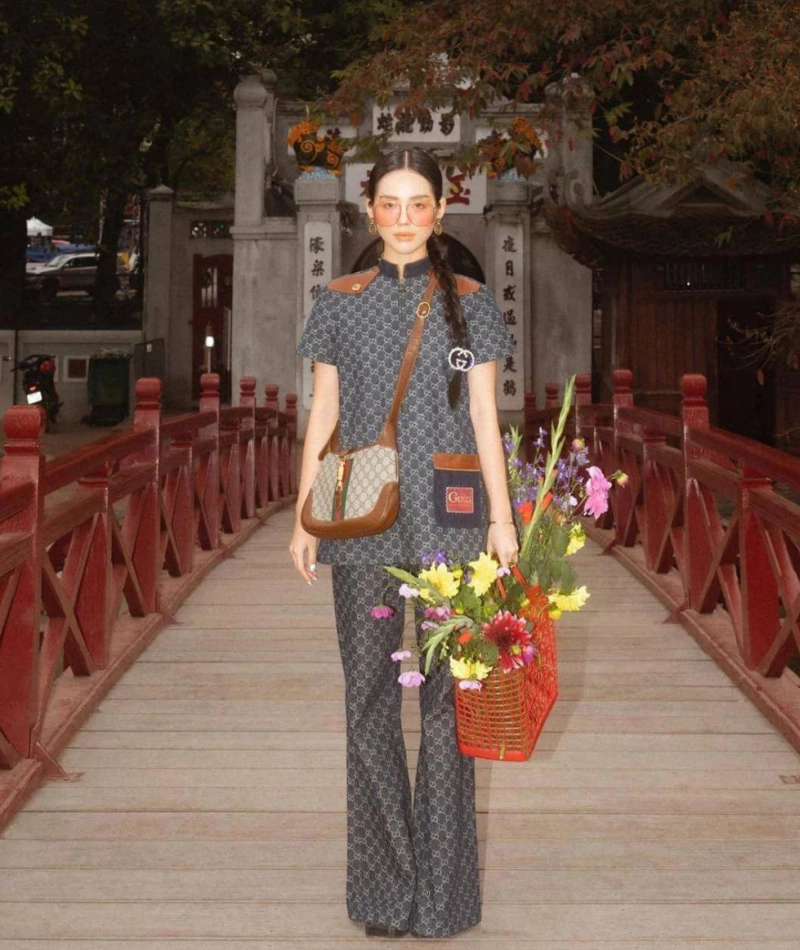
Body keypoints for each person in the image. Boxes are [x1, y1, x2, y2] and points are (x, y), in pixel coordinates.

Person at [290, 146, 518, 939]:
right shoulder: (338, 301)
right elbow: (323, 414)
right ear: (369, 211)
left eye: (418, 203)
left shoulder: (471, 304)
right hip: (361, 523)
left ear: (440, 211)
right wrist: (302, 516)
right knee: (368, 703)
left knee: (452, 706)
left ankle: (443, 897)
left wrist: (501, 520)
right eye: (389, 204)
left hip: (452, 522)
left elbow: (485, 417)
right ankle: (385, 892)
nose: (403, 219)